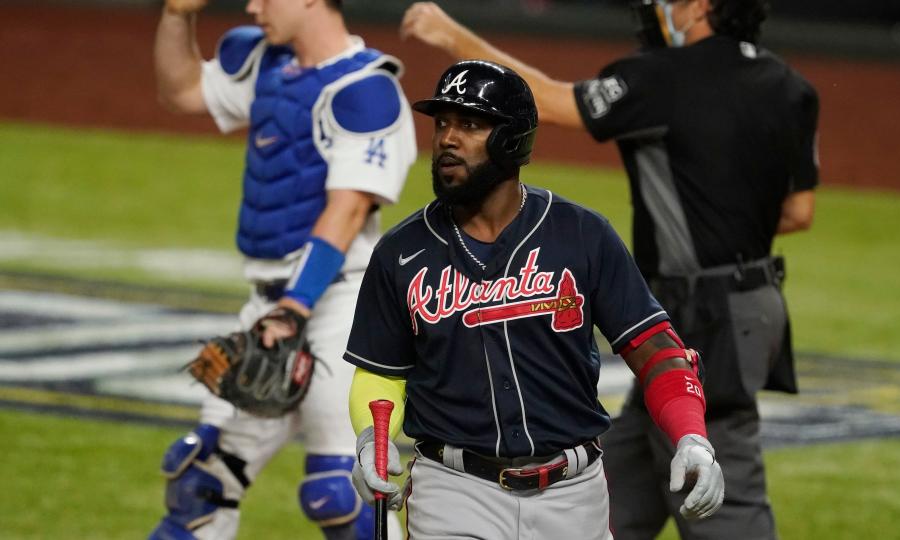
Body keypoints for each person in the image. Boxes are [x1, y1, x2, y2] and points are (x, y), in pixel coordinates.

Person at [400, 1, 819, 539]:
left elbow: (544, 102)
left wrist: (449, 33)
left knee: (719, 478)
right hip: (756, 304)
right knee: (627, 472)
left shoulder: (660, 77)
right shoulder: (789, 85)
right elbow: (797, 213)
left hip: (701, 311)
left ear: (699, 7)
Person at [343, 59, 724, 540]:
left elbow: (656, 350)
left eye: (470, 124)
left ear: (512, 140)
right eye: (442, 124)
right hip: (453, 493)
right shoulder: (401, 252)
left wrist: (692, 436)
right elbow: (379, 373)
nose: (447, 139)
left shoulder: (581, 235)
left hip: (574, 496)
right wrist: (369, 439)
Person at [150, 0, 416, 538]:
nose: (252, 5)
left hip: (343, 305)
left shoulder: (367, 91)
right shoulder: (268, 65)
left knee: (339, 493)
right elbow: (180, 91)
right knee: (200, 482)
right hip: (273, 302)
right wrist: (177, 15)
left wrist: (295, 308)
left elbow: (348, 209)